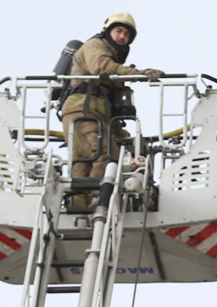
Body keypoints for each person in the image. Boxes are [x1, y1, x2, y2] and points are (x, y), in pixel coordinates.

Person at [61, 12, 163, 205]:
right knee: (106, 156)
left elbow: (112, 110)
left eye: (127, 34)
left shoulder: (112, 67)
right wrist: (138, 73)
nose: (123, 36)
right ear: (107, 31)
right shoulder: (94, 46)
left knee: (83, 163)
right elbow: (101, 67)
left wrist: (123, 135)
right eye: (119, 30)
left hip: (91, 115)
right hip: (82, 112)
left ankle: (79, 210)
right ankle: (95, 206)